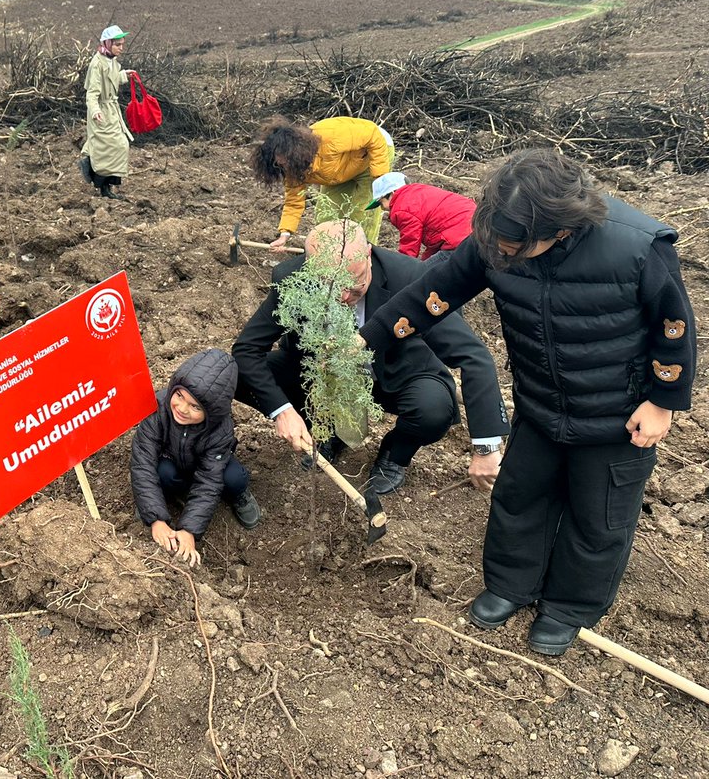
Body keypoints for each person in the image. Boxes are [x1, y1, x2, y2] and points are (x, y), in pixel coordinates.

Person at [359, 149, 695, 656]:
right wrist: (367, 339)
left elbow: (675, 326)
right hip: (539, 404)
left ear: (560, 228)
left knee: (597, 517)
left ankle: (568, 607)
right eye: (496, 242)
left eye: (514, 246)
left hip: (617, 415)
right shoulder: (497, 242)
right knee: (519, 497)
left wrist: (663, 402)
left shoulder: (637, 246)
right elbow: (432, 293)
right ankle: (510, 585)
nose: (501, 252)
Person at [233, 219, 508, 495]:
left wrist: (486, 446)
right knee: (232, 374)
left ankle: (394, 453)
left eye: (354, 285)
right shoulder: (291, 279)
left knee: (433, 410)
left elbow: (472, 355)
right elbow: (247, 349)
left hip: (394, 374)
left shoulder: (410, 277)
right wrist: (282, 410)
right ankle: (325, 429)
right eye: (329, 286)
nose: (343, 297)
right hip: (322, 378)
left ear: (368, 254)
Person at [131, 349, 260, 568]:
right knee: (162, 473)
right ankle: (158, 501)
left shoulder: (220, 429)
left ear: (212, 412)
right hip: (172, 462)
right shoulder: (158, 408)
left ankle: (239, 496)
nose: (182, 409)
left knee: (234, 478)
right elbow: (142, 463)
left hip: (204, 465)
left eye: (195, 407)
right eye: (179, 396)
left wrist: (189, 530)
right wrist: (156, 519)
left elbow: (209, 479)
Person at [251, 115, 395, 249]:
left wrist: (381, 183)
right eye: (277, 162)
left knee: (362, 214)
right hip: (340, 169)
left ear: (295, 151)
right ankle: (330, 258)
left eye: (283, 158)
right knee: (326, 216)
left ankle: (363, 257)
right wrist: (285, 234)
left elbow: (373, 135)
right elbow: (294, 201)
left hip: (373, 153)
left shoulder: (330, 137)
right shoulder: (291, 167)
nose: (281, 163)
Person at [366, 172, 476, 266]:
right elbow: (437, 236)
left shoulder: (402, 208)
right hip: (476, 225)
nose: (382, 208)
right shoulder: (419, 193)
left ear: (392, 193)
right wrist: (423, 261)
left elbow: (409, 244)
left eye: (381, 203)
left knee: (428, 274)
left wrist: (400, 267)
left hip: (460, 236)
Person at [78, 25, 137, 199]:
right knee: (114, 146)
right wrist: (95, 111)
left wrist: (124, 75)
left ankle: (94, 170)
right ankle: (94, 173)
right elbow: (92, 94)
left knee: (114, 147)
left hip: (111, 110)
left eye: (122, 44)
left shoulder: (110, 61)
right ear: (108, 43)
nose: (121, 48)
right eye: (117, 44)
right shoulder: (97, 64)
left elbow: (111, 79)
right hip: (102, 112)